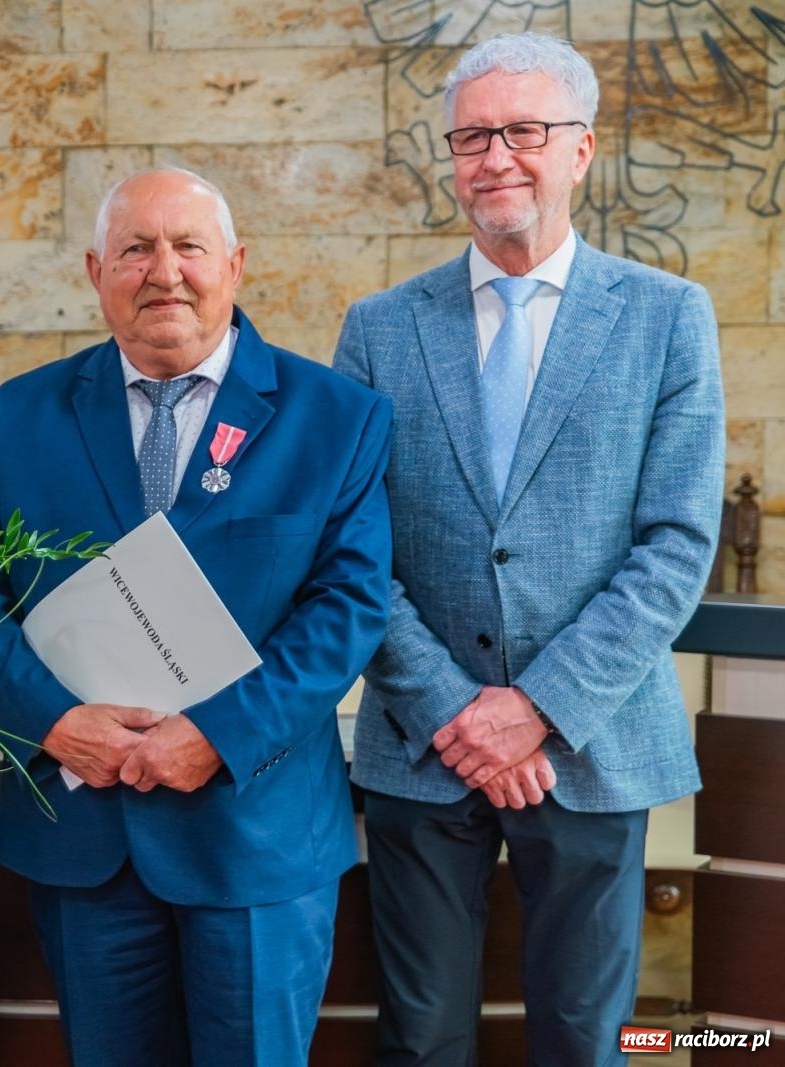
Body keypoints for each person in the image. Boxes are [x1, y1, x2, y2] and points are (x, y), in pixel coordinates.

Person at [0, 167, 394, 1064]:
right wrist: (57, 723)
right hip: (87, 838)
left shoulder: (335, 417)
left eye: (188, 246)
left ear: (236, 263)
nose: (164, 271)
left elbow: (348, 607)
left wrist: (216, 734)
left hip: (253, 835)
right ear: (95, 270)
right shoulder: (24, 411)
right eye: (136, 249)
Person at [332, 32, 725, 1065]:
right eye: (471, 135)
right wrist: (456, 710)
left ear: (580, 150)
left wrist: (535, 705)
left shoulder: (667, 317)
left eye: (522, 131)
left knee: (587, 1040)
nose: (494, 156)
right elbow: (353, 544)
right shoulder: (378, 327)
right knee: (418, 1039)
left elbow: (677, 541)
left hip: (589, 743)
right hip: (425, 744)